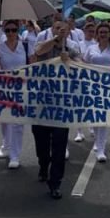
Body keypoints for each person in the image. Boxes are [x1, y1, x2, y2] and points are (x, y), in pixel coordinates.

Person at [33, 21, 78, 199]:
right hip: (41, 104)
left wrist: (69, 62)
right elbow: (38, 52)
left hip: (61, 106)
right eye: (57, 28)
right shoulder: (45, 44)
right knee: (42, 144)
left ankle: (56, 182)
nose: (61, 30)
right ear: (52, 30)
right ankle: (43, 166)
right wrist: (56, 40)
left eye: (63, 29)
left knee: (59, 146)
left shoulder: (71, 49)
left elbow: (82, 67)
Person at [0, 19, 33, 169]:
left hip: (21, 88)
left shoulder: (25, 46)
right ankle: (6, 144)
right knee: (5, 119)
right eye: (7, 30)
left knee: (17, 123)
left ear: (18, 31)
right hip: (4, 87)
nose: (10, 33)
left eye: (14, 30)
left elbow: (32, 65)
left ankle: (15, 155)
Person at [83, 22, 110, 162]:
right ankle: (97, 141)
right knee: (94, 117)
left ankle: (101, 148)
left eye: (105, 32)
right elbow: (84, 63)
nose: (103, 34)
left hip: (109, 88)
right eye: (100, 32)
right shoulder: (91, 48)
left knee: (103, 117)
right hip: (93, 86)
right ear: (97, 34)